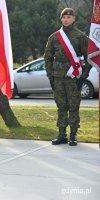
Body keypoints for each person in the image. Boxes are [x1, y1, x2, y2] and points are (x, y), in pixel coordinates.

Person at [44, 8, 91, 146]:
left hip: (74, 78)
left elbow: (90, 57)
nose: (66, 19)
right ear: (61, 19)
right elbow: (47, 58)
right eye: (64, 17)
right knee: (61, 105)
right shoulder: (54, 37)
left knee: (74, 106)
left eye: (69, 17)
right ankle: (62, 134)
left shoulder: (81, 37)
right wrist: (50, 75)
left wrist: (84, 75)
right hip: (58, 77)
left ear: (74, 19)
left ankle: (73, 135)